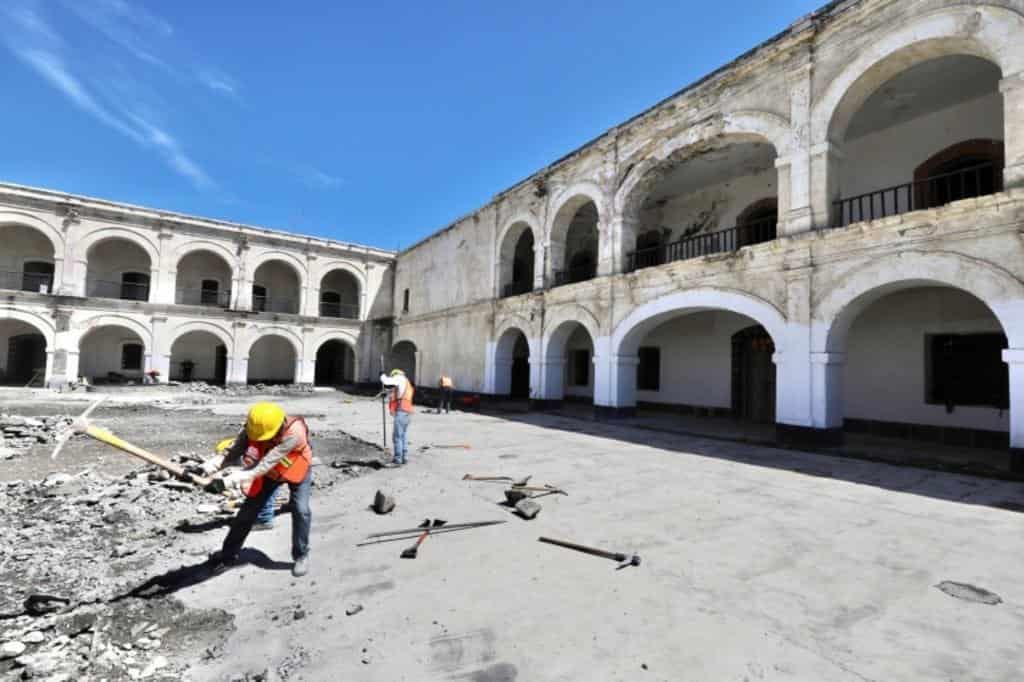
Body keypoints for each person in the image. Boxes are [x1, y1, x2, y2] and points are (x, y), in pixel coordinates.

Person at [200, 402, 313, 577]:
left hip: (297, 468)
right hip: (270, 473)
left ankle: (301, 555)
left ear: (278, 426)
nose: (260, 439)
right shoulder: (253, 428)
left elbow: (266, 463)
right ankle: (228, 556)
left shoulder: (294, 433)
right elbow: (236, 449)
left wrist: (234, 477)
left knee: (301, 510)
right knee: (247, 513)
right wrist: (215, 464)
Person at [380, 369, 414, 466]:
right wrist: (386, 394)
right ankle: (404, 457)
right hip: (408, 412)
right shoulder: (406, 382)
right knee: (403, 435)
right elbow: (395, 392)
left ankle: (397, 460)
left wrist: (382, 375)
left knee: (397, 437)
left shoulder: (399, 378)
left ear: (395, 375)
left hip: (402, 411)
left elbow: (386, 382)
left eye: (393, 376)